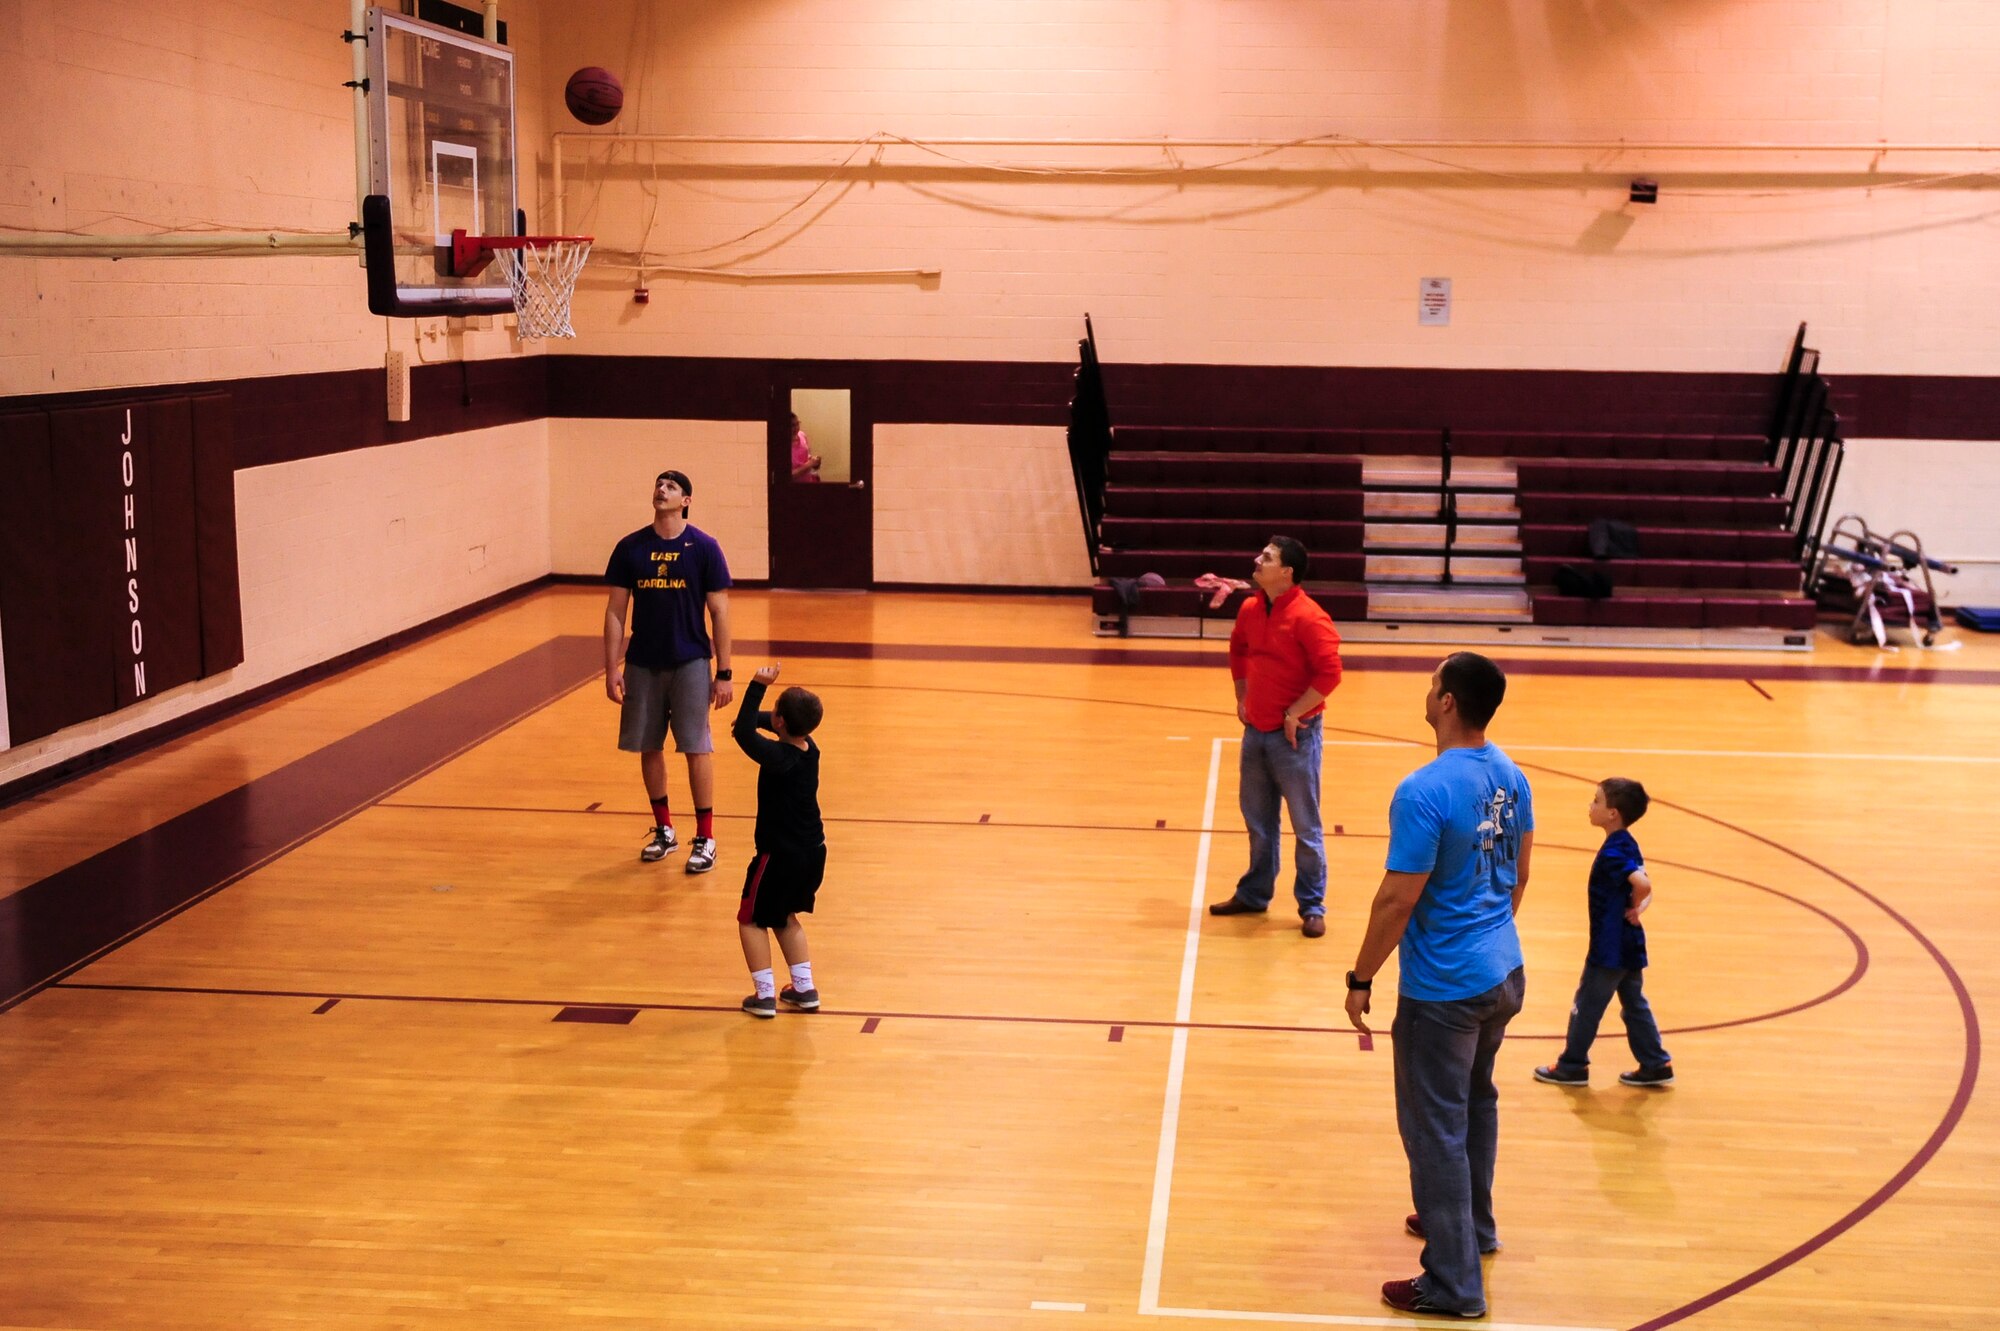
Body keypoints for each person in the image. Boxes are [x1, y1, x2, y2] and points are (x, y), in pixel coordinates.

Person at [1344, 652, 1533, 1320]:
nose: (1426, 693)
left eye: (1432, 685)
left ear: (1448, 701)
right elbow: (1518, 876)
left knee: (1434, 1132)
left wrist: (1361, 975)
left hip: (1444, 991)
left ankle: (1453, 1283)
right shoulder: (1511, 775)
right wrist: (1485, 936)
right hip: (1503, 972)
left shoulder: (1423, 789)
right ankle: (1473, 1228)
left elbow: (1397, 898)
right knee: (1475, 1104)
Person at [1208, 536, 1344, 938]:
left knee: (1306, 826)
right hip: (1256, 734)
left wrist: (1294, 713)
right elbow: (1237, 650)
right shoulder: (1251, 608)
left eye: (1267, 557)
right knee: (1259, 822)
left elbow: (1330, 675)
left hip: (1296, 737)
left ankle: (1312, 905)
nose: (1257, 559)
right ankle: (1254, 894)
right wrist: (1242, 695)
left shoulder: (1309, 617)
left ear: (1287, 572)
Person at [603, 469, 734, 874]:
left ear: (686, 500)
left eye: (672, 486)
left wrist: (724, 672)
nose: (662, 490)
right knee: (648, 746)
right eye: (659, 484)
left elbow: (719, 612)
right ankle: (664, 830)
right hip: (642, 662)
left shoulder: (705, 548)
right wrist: (612, 667)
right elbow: (615, 612)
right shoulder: (630, 547)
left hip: (691, 661)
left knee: (696, 746)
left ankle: (706, 837)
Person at [1534, 778, 1674, 1089]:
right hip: (1630, 944)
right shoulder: (1628, 843)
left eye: (1596, 801)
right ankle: (1655, 1062)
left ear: (1612, 813)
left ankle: (1572, 1065)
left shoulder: (1613, 854)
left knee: (1586, 1005)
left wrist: (1636, 904)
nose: (1590, 806)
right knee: (1634, 1002)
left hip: (1609, 948)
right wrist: (1638, 910)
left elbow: (1643, 885)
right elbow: (1646, 884)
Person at [730, 663, 827, 1019]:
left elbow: (742, 733)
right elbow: (763, 723)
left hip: (779, 857)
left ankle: (765, 995)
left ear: (781, 723)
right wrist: (757, 718)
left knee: (750, 919)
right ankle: (803, 989)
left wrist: (756, 685)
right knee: (783, 916)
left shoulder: (778, 758)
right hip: (813, 853)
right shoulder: (809, 749)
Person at [788, 412, 822, 482]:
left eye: (797, 424)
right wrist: (809, 464)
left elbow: (806, 456)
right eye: (792, 425)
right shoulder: (782, 446)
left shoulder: (802, 435)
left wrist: (813, 461)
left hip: (807, 482)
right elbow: (788, 476)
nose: (796, 428)